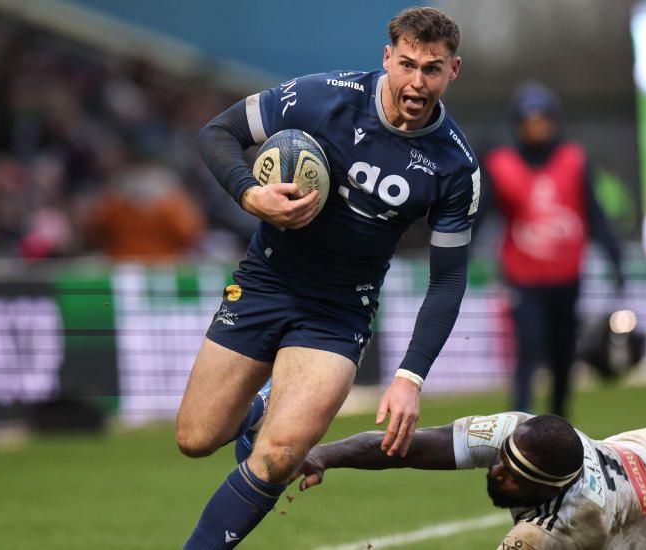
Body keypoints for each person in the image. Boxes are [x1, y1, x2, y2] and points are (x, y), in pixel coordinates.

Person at [177, 7, 480, 548]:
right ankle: (259, 409)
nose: (416, 82)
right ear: (386, 57)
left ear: (453, 70)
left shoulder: (456, 167)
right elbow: (216, 132)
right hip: (265, 283)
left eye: (431, 69)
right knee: (196, 439)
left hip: (339, 314)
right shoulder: (322, 96)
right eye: (406, 64)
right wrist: (252, 194)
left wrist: (410, 378)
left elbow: (448, 282)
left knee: (277, 456)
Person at [296, 412, 646, 550]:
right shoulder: (522, 433)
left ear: (547, 490)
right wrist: (324, 453)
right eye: (501, 462)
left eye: (512, 479)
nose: (497, 473)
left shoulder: (575, 520)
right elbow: (414, 445)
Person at [483, 83, 624, 416]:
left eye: (542, 120)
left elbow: (595, 213)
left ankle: (560, 420)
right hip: (523, 277)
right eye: (530, 122)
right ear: (518, 125)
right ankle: (519, 420)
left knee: (563, 352)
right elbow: (480, 213)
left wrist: (614, 256)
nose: (537, 129)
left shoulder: (573, 160)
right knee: (529, 346)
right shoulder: (501, 165)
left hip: (566, 275)